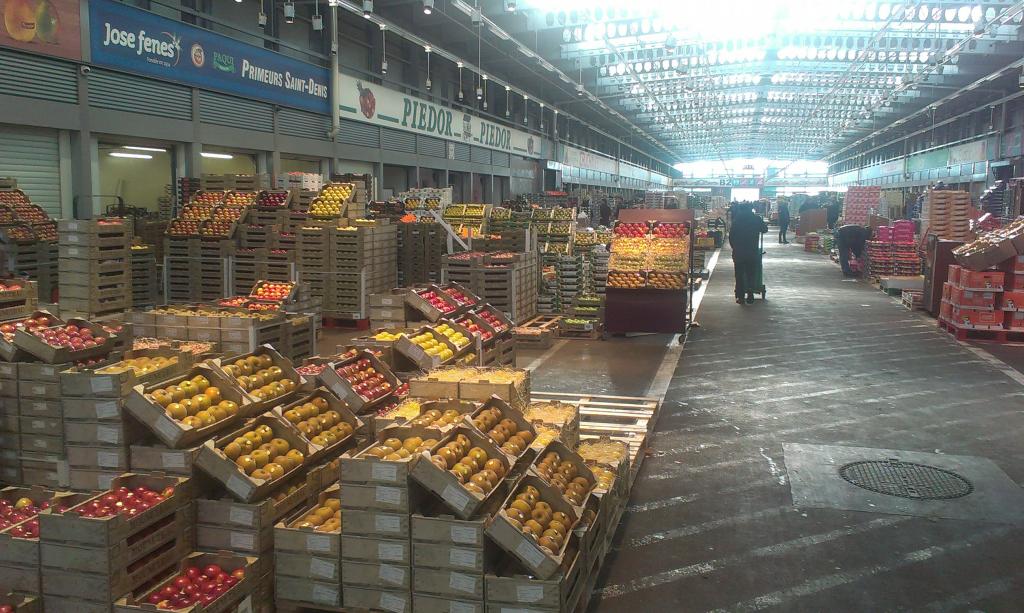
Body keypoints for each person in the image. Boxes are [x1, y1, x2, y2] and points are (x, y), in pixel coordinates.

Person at [728, 206, 768, 304]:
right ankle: (750, 292)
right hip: (752, 251)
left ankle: (740, 297)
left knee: (739, 275)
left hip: (739, 252)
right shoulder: (756, 219)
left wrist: (735, 248)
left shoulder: (736, 220)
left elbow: (731, 236)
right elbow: (764, 229)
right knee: (751, 273)